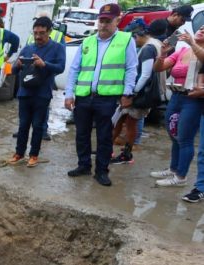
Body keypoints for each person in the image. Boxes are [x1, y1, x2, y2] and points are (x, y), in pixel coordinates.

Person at [64, 3, 137, 187]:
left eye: (108, 21)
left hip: (108, 98)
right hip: (84, 97)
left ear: (117, 20)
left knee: (105, 136)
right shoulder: (88, 41)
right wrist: (69, 93)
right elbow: (74, 69)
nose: (103, 25)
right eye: (101, 21)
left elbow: (131, 69)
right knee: (82, 134)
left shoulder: (126, 40)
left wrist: (128, 92)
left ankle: (101, 171)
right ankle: (84, 165)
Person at [150, 26, 204, 188]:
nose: (201, 30)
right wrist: (163, 54)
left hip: (193, 99)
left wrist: (193, 43)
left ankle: (181, 176)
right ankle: (173, 169)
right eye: (201, 28)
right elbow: (159, 68)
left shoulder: (195, 49)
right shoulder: (182, 51)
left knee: (185, 138)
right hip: (176, 96)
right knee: (174, 135)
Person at [9, 17, 65, 167]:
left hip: (42, 93)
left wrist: (44, 64)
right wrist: (18, 64)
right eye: (36, 33)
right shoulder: (28, 48)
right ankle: (19, 153)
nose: (38, 36)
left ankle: (34, 155)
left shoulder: (57, 48)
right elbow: (13, 70)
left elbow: (61, 67)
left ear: (49, 32)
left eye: (42, 33)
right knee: (23, 125)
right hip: (25, 93)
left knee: (38, 125)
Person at [109, 20, 161, 165]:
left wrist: (132, 93)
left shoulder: (148, 49)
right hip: (138, 93)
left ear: (139, 35)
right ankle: (109, 149)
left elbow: (145, 74)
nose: (133, 41)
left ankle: (127, 154)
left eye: (134, 37)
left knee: (131, 124)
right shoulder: (154, 45)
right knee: (119, 121)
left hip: (138, 95)